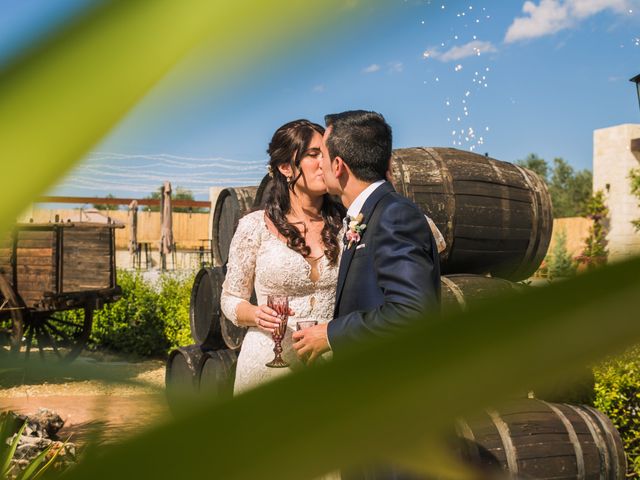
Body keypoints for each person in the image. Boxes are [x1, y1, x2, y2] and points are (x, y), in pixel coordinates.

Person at [292, 110, 441, 479]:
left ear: (338, 165)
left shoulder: (393, 216)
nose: (319, 164)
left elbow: (412, 312)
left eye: (321, 156)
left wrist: (331, 333)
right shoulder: (366, 215)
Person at [220, 119, 345, 395]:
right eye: (314, 154)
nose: (324, 162)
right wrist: (255, 313)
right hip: (266, 366)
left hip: (329, 366)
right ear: (286, 167)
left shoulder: (348, 224)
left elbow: (430, 238)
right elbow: (230, 299)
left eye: (326, 154)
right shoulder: (254, 227)